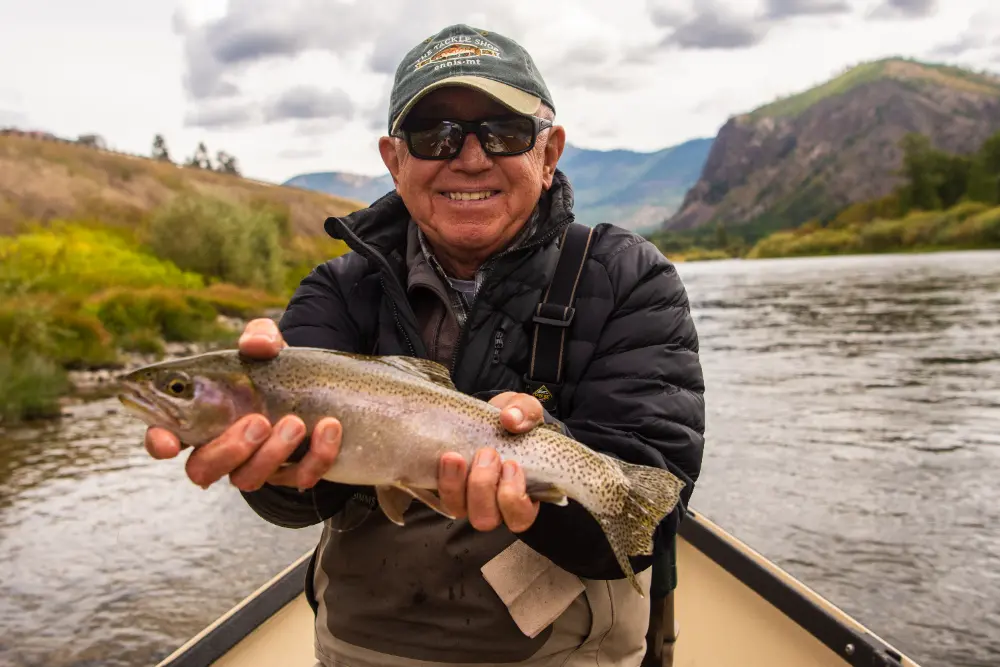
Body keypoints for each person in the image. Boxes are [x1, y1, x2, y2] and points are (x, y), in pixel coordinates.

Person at [145, 23, 705, 667]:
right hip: (361, 650)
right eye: (434, 135)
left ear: (548, 153)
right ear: (394, 160)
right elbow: (299, 502)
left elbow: (647, 526)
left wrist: (535, 469)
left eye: (504, 132)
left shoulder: (628, 277)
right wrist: (273, 472)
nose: (470, 158)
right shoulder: (337, 290)